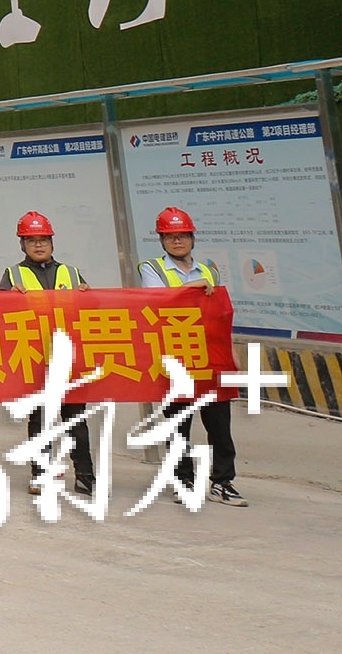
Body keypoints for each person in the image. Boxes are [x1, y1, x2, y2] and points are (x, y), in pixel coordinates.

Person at [140, 206, 244, 507]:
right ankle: (182, 480)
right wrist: (190, 288)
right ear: (161, 240)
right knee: (178, 425)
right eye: (170, 236)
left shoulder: (209, 271)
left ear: (192, 238)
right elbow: (157, 304)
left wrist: (232, 352)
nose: (177, 241)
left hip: (209, 356)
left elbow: (220, 317)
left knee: (219, 425)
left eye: (183, 235)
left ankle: (222, 482)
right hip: (174, 357)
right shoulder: (152, 269)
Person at [0, 209, 95, 498]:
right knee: (40, 420)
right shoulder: (13, 275)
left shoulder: (70, 273)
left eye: (43, 239)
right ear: (22, 245)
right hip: (34, 358)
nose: (38, 245)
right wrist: (8, 300)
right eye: (31, 240)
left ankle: (85, 476)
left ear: (52, 242)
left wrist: (88, 294)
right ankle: (40, 473)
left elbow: (89, 312)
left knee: (76, 419)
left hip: (68, 359)